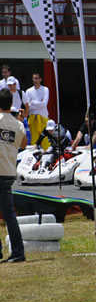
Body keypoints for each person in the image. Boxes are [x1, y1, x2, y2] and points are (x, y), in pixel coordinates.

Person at [0, 89, 26, 263]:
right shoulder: (18, 125)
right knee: (9, 214)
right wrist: (20, 121)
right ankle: (17, 251)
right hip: (9, 171)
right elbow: (23, 144)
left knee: (8, 214)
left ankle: (10, 251)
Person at [25, 72, 48, 148]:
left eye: (37, 78)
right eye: (34, 78)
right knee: (33, 142)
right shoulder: (28, 91)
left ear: (40, 79)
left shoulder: (45, 89)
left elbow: (44, 104)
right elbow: (28, 106)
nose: (35, 80)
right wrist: (39, 103)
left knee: (45, 141)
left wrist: (33, 102)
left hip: (43, 117)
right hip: (33, 119)